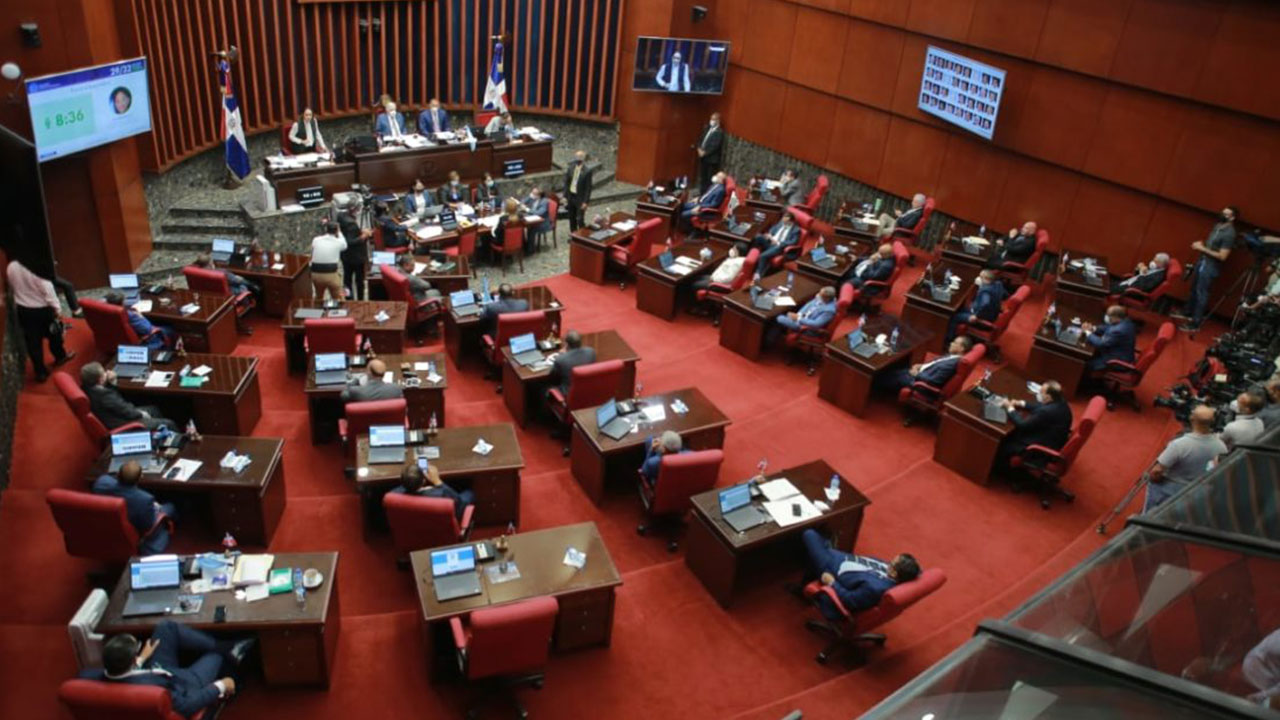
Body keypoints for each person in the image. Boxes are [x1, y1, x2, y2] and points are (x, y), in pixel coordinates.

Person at [97, 621, 247, 718]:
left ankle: (221, 645)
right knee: (217, 655)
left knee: (166, 628)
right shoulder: (155, 692)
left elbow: (124, 675)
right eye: (138, 648)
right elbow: (187, 706)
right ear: (132, 659)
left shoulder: (95, 675)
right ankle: (230, 650)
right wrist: (221, 685)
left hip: (153, 671)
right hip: (183, 683)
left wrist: (141, 659)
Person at [798, 528, 921, 620]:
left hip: (831, 568)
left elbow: (850, 600)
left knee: (809, 534)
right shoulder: (893, 571)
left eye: (892, 563)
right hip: (841, 557)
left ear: (894, 573)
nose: (888, 562)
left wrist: (832, 583)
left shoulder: (875, 588)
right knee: (826, 531)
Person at [1145, 404, 1228, 510]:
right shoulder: (1221, 447)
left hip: (1170, 490)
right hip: (1196, 492)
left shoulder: (1179, 444)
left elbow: (1156, 472)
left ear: (1192, 419)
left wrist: (1154, 479)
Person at [7, 257, 74, 382]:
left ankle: (40, 372)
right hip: (43, 310)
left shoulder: (11, 266)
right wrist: (58, 311)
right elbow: (49, 293)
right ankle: (60, 356)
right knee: (55, 335)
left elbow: (12, 287)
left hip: (23, 311)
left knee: (33, 342)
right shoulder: (38, 269)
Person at [1173, 206, 1238, 332]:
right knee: (1194, 288)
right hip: (1202, 261)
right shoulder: (1218, 226)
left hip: (1210, 266)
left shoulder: (1230, 234)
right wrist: (1202, 246)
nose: (1222, 215)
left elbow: (1223, 256)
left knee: (1202, 293)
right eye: (1222, 212)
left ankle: (1195, 323)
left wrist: (1202, 248)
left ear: (1232, 218)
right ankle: (1187, 312)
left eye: (1226, 214)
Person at [92, 461, 176, 554]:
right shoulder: (145, 499)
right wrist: (155, 508)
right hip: (137, 528)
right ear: (139, 478)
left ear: (118, 474)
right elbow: (148, 525)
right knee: (170, 506)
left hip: (109, 525)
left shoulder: (101, 483)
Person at [996, 380, 1073, 472]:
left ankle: (1000, 469)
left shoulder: (1046, 412)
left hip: (1040, 447)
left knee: (1004, 441)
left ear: (1048, 397)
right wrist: (1020, 403)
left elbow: (1022, 425)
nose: (1039, 394)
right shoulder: (1060, 402)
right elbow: (1040, 406)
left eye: (1041, 392)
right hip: (1053, 440)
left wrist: (1010, 408)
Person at [81, 362, 176, 431]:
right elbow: (125, 410)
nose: (107, 372)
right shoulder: (104, 395)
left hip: (116, 416)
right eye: (104, 373)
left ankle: (162, 434)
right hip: (123, 423)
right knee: (169, 423)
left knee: (153, 409)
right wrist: (142, 414)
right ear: (100, 380)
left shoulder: (87, 388)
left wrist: (111, 383)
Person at [877, 336, 972, 394]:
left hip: (920, 383)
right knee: (898, 367)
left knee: (892, 375)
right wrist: (920, 366)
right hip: (921, 372)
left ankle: (874, 384)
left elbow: (934, 381)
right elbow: (935, 363)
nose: (951, 343)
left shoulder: (952, 364)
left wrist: (916, 374)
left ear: (961, 348)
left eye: (954, 342)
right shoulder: (952, 357)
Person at [390, 463, 474, 521]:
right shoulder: (441, 494)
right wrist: (438, 482)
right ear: (424, 481)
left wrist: (410, 476)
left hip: (413, 529)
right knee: (469, 493)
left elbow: (405, 485)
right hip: (441, 530)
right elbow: (459, 504)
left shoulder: (392, 496)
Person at [946, 269, 1006, 343]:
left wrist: (976, 316)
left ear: (987, 279)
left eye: (981, 277)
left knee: (955, 317)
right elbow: (1004, 295)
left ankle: (949, 339)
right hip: (993, 314)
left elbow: (985, 303)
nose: (978, 278)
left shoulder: (985, 291)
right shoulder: (998, 284)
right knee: (959, 309)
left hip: (982, 318)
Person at [105, 291, 177, 351]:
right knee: (171, 328)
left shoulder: (106, 312)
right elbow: (147, 329)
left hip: (120, 342)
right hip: (148, 339)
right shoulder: (130, 315)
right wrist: (141, 317)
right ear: (122, 302)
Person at [1082, 305, 1136, 373]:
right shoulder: (1125, 321)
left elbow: (1101, 343)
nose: (1106, 317)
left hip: (1115, 361)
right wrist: (1092, 328)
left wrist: (1088, 332)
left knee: (1084, 364)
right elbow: (1107, 327)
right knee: (1088, 355)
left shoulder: (1119, 330)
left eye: (1108, 315)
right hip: (1116, 353)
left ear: (1116, 317)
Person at [547, 330, 597, 400]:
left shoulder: (561, 359)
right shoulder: (591, 352)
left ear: (566, 344)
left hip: (568, 396)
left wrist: (563, 355)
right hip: (587, 391)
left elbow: (552, 377)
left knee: (542, 388)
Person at [337, 202, 372, 300]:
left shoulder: (341, 216)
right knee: (359, 281)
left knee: (347, 280)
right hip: (357, 257)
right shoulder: (351, 223)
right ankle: (360, 300)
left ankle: (348, 299)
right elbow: (350, 241)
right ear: (354, 210)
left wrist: (360, 232)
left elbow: (349, 234)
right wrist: (363, 236)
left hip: (345, 256)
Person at [191, 254, 260, 303]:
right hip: (228, 297)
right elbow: (237, 281)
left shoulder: (196, 273)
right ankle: (254, 287)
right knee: (243, 285)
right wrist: (248, 282)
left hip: (210, 298)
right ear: (210, 264)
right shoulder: (221, 273)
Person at [310, 219, 347, 300]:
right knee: (339, 298)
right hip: (331, 274)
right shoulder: (339, 242)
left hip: (315, 274)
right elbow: (345, 245)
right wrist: (340, 232)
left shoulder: (316, 240)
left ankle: (318, 306)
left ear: (326, 229)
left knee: (318, 296)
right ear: (337, 231)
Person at [563, 150, 594, 231]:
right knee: (571, 218)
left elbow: (588, 188)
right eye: (577, 157)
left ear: (583, 158)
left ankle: (582, 234)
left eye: (580, 157)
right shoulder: (571, 168)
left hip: (580, 198)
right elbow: (566, 182)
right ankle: (573, 234)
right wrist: (565, 196)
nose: (578, 159)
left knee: (580, 219)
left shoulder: (587, 171)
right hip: (571, 196)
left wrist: (585, 202)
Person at [695, 112, 724, 192]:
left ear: (718, 121)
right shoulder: (707, 128)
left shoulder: (719, 132)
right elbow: (701, 139)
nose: (711, 121)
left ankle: (706, 193)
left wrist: (704, 153)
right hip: (703, 158)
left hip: (711, 160)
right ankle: (701, 193)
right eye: (711, 119)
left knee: (709, 179)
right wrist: (699, 148)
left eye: (713, 119)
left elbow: (715, 146)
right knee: (703, 177)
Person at [489, 198, 526, 262]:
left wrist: (493, 230)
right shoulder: (521, 216)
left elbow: (497, 232)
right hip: (518, 241)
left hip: (503, 243)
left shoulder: (503, 218)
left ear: (506, 208)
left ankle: (494, 259)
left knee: (488, 237)